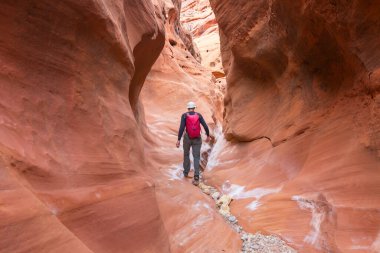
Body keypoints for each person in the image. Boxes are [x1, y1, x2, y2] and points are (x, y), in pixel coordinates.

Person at [176, 101, 210, 185]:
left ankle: (186, 173)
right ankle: (196, 176)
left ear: (188, 108)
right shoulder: (199, 115)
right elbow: (205, 126)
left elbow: (181, 128)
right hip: (197, 138)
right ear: (194, 108)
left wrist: (178, 139)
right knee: (196, 157)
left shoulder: (184, 115)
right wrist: (208, 135)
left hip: (187, 137)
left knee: (186, 154)